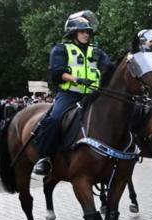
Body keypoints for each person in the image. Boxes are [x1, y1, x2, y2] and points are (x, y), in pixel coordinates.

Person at [33, 10, 113, 175]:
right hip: (70, 95)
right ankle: (44, 158)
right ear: (74, 33)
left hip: (93, 96)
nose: (86, 35)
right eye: (83, 31)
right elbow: (57, 71)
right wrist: (77, 79)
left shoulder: (97, 52)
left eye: (88, 32)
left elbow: (110, 69)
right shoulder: (61, 49)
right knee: (54, 119)